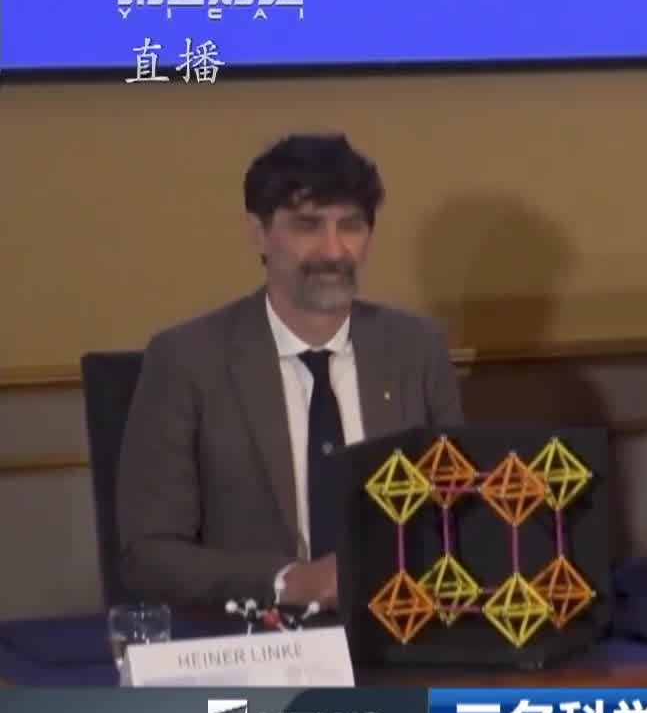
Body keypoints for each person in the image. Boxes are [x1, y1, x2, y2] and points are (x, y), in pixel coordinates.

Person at [117, 134, 465, 608]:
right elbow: (149, 555)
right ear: (259, 233)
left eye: (351, 226)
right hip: (254, 634)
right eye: (308, 226)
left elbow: (457, 514)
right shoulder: (187, 360)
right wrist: (290, 582)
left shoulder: (416, 349)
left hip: (399, 627)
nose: (333, 251)